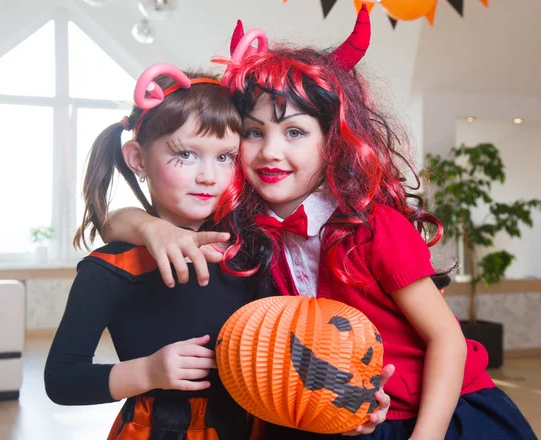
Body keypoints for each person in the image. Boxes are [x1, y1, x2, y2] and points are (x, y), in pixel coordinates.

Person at [101, 6, 538, 440]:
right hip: (331, 419)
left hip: (431, 417)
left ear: (333, 142)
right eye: (254, 133)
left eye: (294, 132)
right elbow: (111, 223)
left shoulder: (372, 227)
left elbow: (448, 339)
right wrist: (150, 228)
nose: (271, 151)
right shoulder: (243, 227)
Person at [45, 63, 260, 440]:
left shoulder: (249, 250)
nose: (209, 176)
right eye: (186, 155)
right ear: (138, 159)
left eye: (224, 156)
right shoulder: (108, 269)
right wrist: (147, 372)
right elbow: (61, 380)